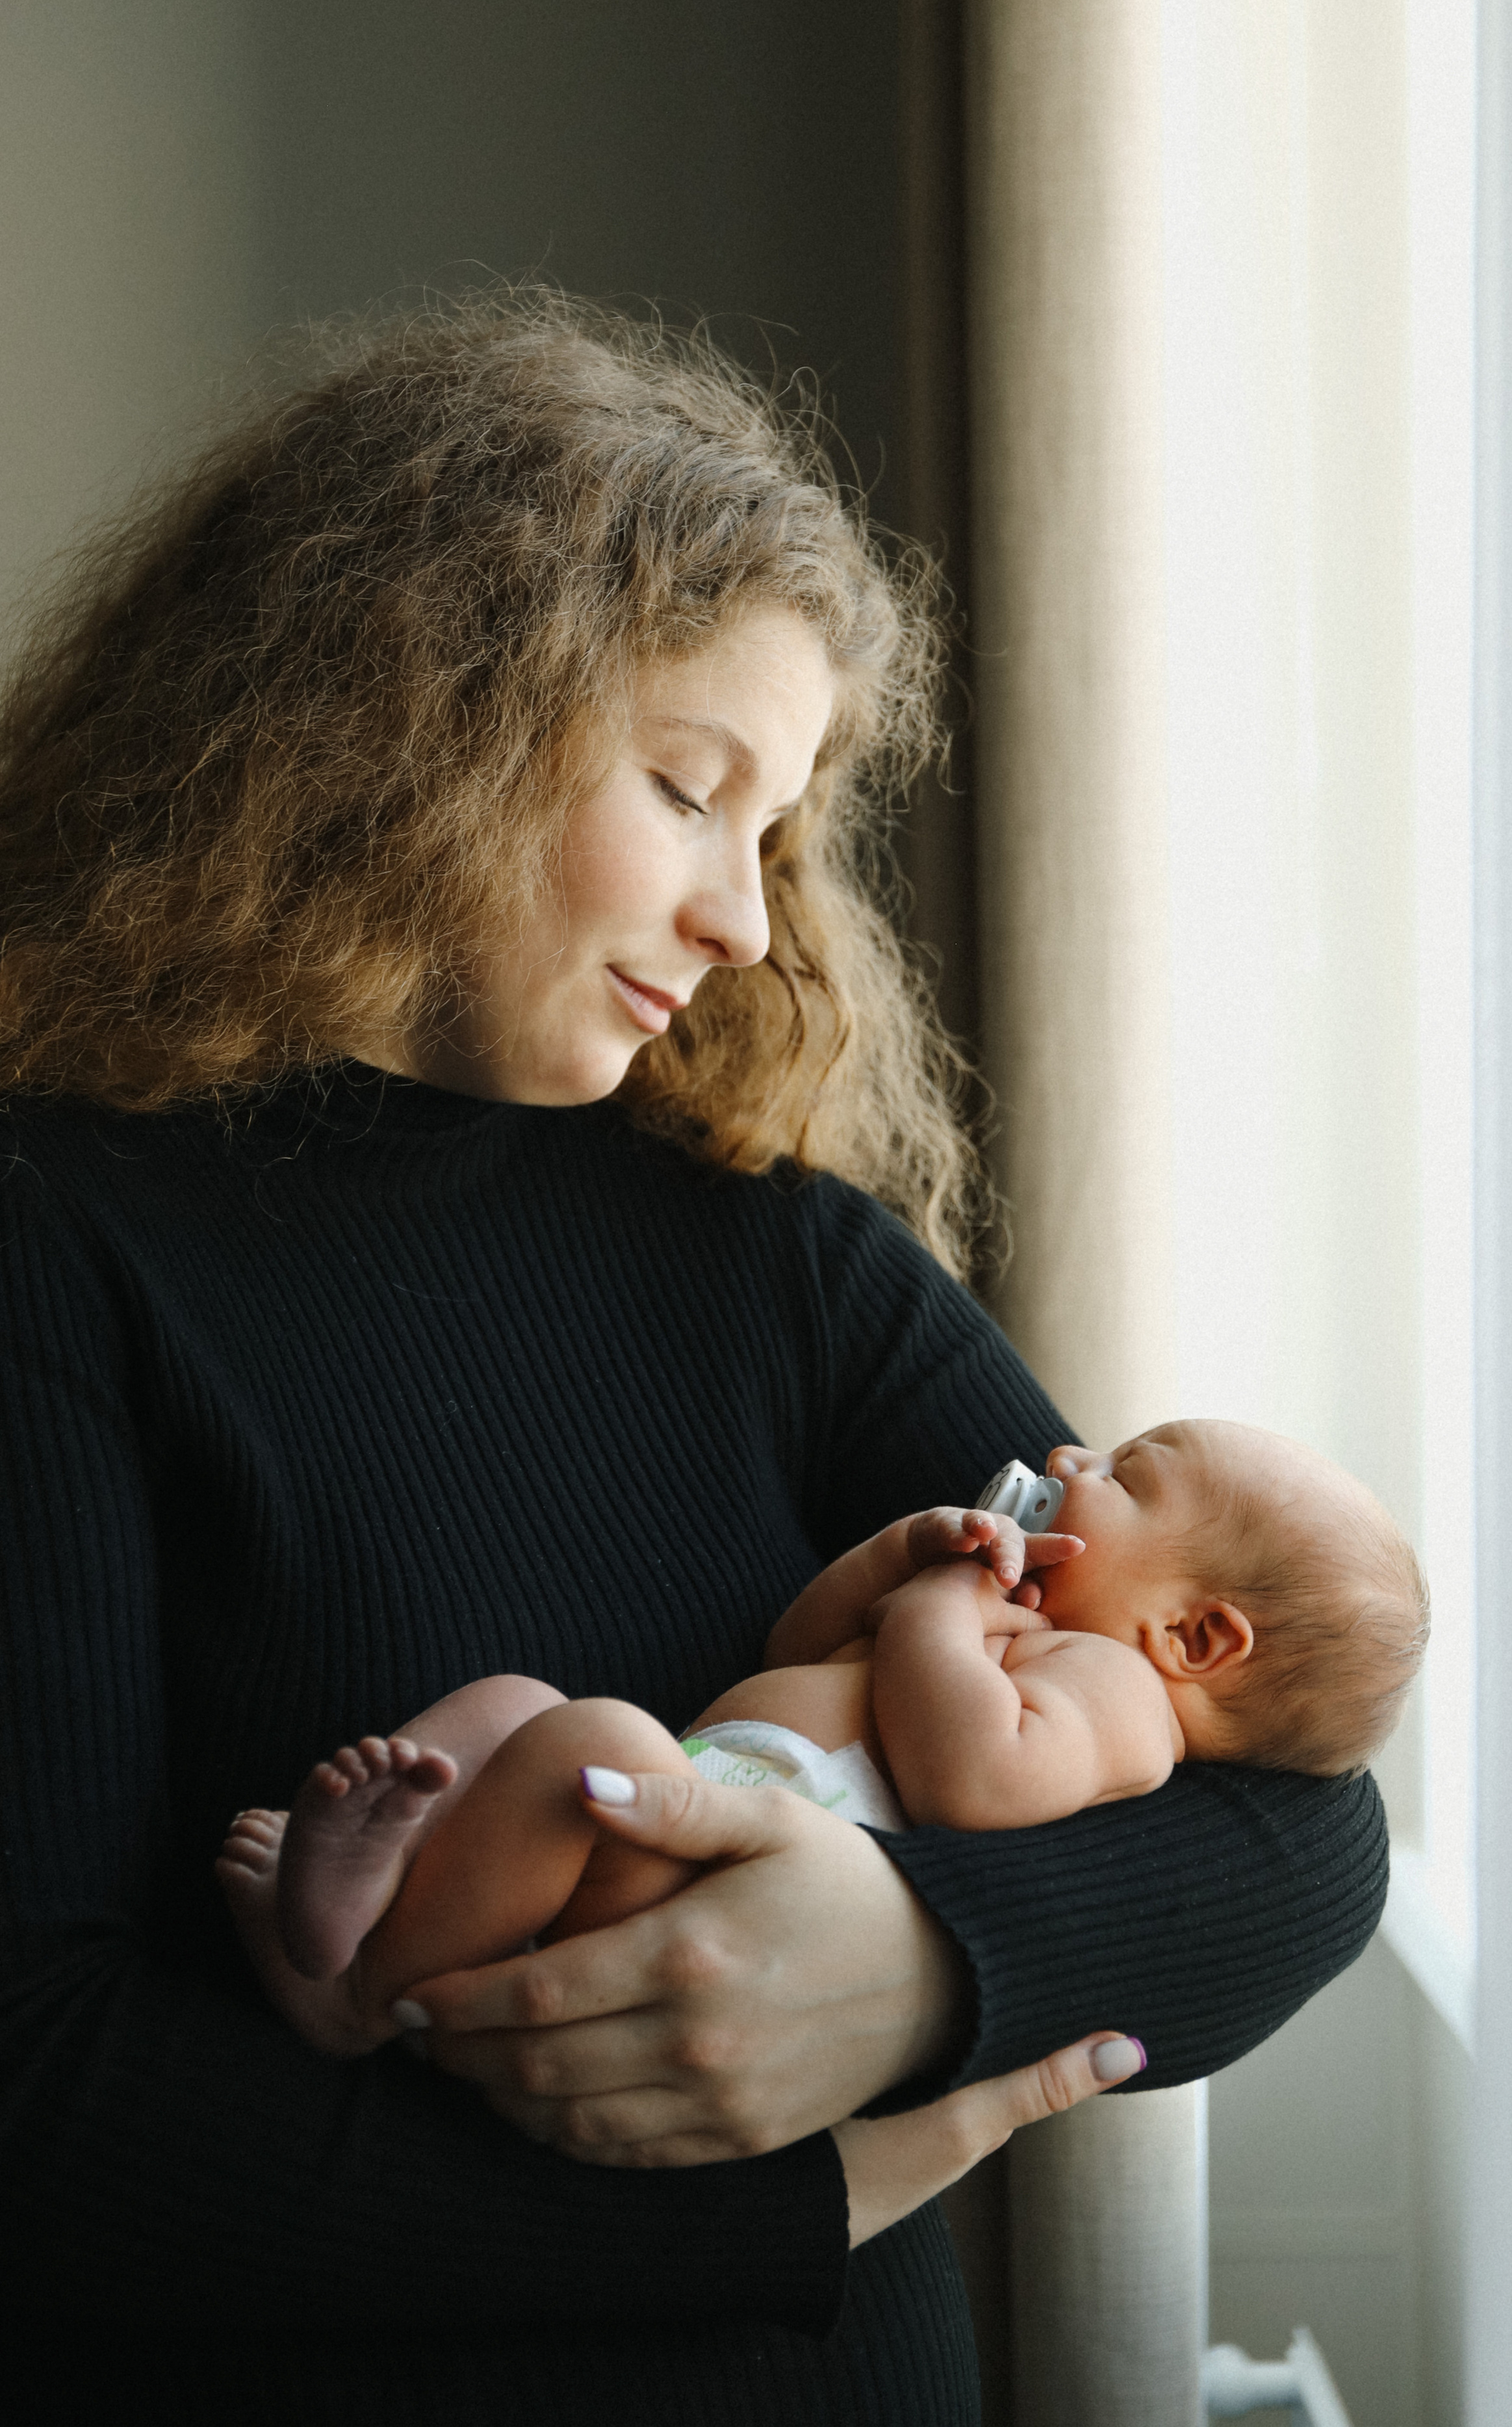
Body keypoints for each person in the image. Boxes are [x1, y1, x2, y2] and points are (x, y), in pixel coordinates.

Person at [0, 296, 1390, 2425]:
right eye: (686, 789)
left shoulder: (779, 1258)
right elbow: (45, 2108)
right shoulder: (56, 1254)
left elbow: (1296, 1830)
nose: (753, 920)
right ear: (416, 720)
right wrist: (781, 2191)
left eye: (782, 826)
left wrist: (913, 1965)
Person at [218, 1419, 1425, 2060]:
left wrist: (942, 1612)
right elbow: (793, 1651)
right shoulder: (1018, 1614)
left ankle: (362, 1998)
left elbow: (973, 1780)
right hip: (710, 1781)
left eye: (1126, 1473)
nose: (1067, 1459)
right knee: (514, 1705)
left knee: (583, 1739)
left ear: (1199, 1639)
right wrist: (902, 1557)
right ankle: (384, 1878)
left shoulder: (1118, 1697)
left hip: (730, 1871)